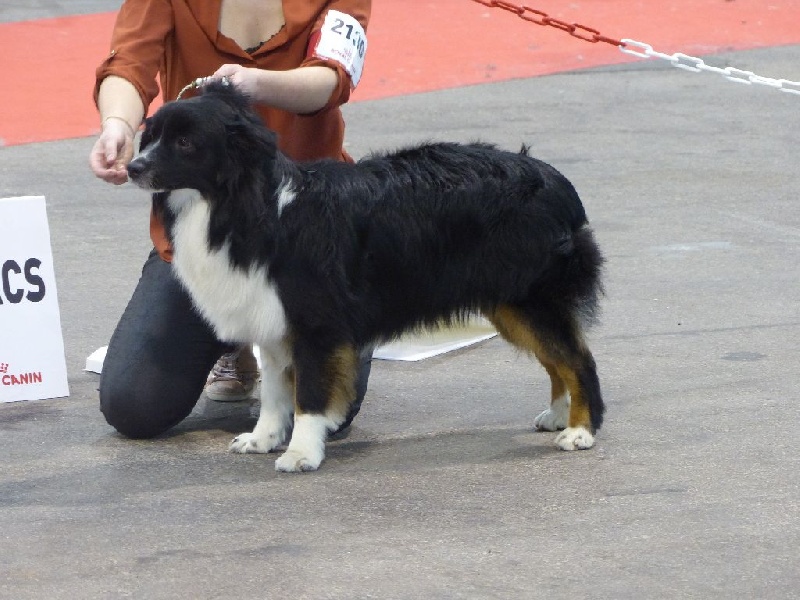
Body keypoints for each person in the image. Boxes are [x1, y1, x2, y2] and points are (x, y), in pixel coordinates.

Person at [89, 0, 372, 439]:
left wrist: (255, 84)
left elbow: (332, 79)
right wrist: (118, 124)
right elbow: (128, 62)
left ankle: (344, 317)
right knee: (133, 404)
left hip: (311, 228)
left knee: (327, 411)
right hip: (205, 232)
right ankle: (235, 342)